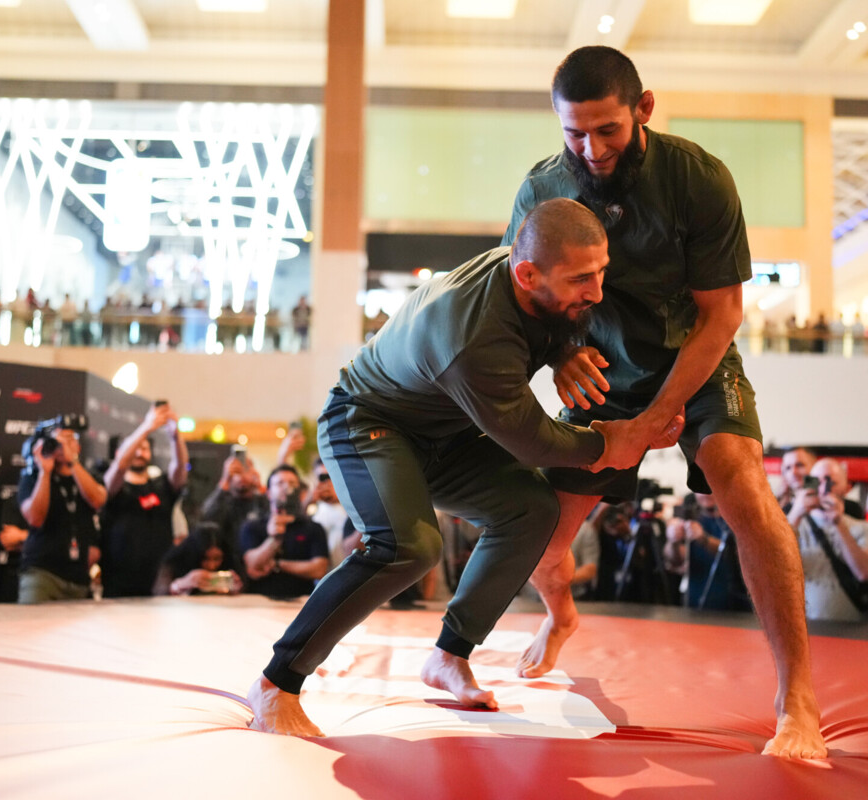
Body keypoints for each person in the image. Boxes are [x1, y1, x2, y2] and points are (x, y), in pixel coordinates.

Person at [248, 198, 682, 736]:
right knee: (408, 546)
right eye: (580, 279)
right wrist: (608, 443)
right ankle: (276, 682)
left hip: (443, 434)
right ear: (526, 273)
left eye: (600, 272)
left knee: (531, 509)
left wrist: (565, 349)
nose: (595, 291)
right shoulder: (471, 334)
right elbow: (532, 439)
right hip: (367, 423)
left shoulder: (524, 274)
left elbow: (551, 320)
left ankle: (450, 655)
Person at [502, 46, 825, 757]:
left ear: (643, 109)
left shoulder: (698, 178)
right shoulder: (542, 189)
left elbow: (722, 317)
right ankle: (559, 618)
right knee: (537, 540)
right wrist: (559, 356)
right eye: (574, 133)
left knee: (745, 490)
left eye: (607, 130)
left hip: (696, 361)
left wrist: (657, 417)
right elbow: (526, 297)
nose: (591, 148)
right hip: (601, 373)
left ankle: (796, 698)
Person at [100, 402, 189, 598]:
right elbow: (119, 467)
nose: (140, 453)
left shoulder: (161, 485)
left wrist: (176, 436)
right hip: (119, 584)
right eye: (135, 448)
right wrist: (147, 427)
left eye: (145, 448)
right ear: (120, 452)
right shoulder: (113, 485)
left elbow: (180, 468)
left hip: (159, 583)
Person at [17, 424, 107, 603]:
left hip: (79, 577)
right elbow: (35, 518)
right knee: (30, 627)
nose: (62, 446)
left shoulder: (90, 477)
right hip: (42, 573)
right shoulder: (32, 477)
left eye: (68, 440)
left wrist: (72, 462)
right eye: (56, 442)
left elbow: (97, 500)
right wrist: (44, 472)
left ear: (78, 447)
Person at [787, 458, 868, 622]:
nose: (822, 489)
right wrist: (795, 513)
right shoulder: (793, 524)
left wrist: (838, 524)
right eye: (816, 482)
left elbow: (865, 573)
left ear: (846, 488)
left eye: (830, 482)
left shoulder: (863, 528)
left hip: (850, 627)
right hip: (801, 625)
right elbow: (768, 563)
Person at [239, 465, 329, 599]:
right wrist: (273, 540)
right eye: (280, 483)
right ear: (268, 492)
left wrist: (277, 565)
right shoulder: (253, 526)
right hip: (259, 602)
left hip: (301, 602)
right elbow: (252, 565)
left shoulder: (313, 527)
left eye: (292, 483)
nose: (287, 487)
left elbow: (319, 569)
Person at [199, 447, 267, 577]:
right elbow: (205, 519)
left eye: (245, 469)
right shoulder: (223, 501)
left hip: (257, 569)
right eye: (237, 471)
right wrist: (225, 480)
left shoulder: (261, 502)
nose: (242, 476)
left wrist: (259, 486)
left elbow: (272, 517)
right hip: (228, 569)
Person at [153, 521, 241, 596]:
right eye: (205, 558)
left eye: (217, 559)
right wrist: (181, 584)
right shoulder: (174, 562)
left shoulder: (230, 564)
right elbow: (158, 592)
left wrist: (235, 588)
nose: (211, 566)